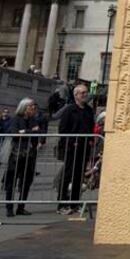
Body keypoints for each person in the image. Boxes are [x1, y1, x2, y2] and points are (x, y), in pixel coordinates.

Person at [57, 84, 95, 215]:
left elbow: (91, 128)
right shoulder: (69, 110)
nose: (85, 95)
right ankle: (62, 204)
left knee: (79, 177)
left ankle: (74, 203)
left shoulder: (89, 110)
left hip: (84, 147)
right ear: (76, 95)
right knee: (67, 175)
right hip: (71, 147)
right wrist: (69, 142)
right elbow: (62, 129)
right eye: (82, 93)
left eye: (86, 92)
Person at [4, 97, 44, 216]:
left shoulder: (33, 119)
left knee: (26, 181)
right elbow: (15, 134)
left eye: (34, 107)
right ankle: (9, 207)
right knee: (12, 181)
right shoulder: (17, 119)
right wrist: (29, 131)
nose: (33, 109)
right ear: (25, 108)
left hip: (30, 154)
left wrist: (25, 132)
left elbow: (38, 132)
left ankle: (21, 206)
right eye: (31, 106)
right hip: (17, 153)